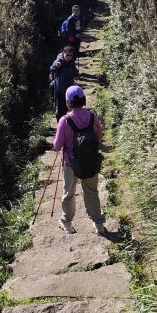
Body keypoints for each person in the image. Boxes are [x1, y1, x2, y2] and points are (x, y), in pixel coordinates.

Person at [53, 85, 106, 235]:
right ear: (83, 99)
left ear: (68, 102)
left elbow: (57, 146)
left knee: (69, 193)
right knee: (91, 191)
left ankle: (67, 223)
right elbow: (99, 136)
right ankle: (98, 225)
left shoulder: (64, 120)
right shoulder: (91, 116)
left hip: (71, 163)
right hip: (90, 161)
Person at [49, 45, 78, 120]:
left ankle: (64, 124)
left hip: (69, 90)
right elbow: (52, 68)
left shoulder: (72, 62)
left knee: (66, 108)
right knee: (59, 109)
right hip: (59, 89)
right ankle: (59, 125)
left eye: (71, 55)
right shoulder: (58, 61)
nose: (69, 57)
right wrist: (57, 66)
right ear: (63, 53)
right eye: (67, 55)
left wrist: (76, 73)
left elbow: (75, 73)